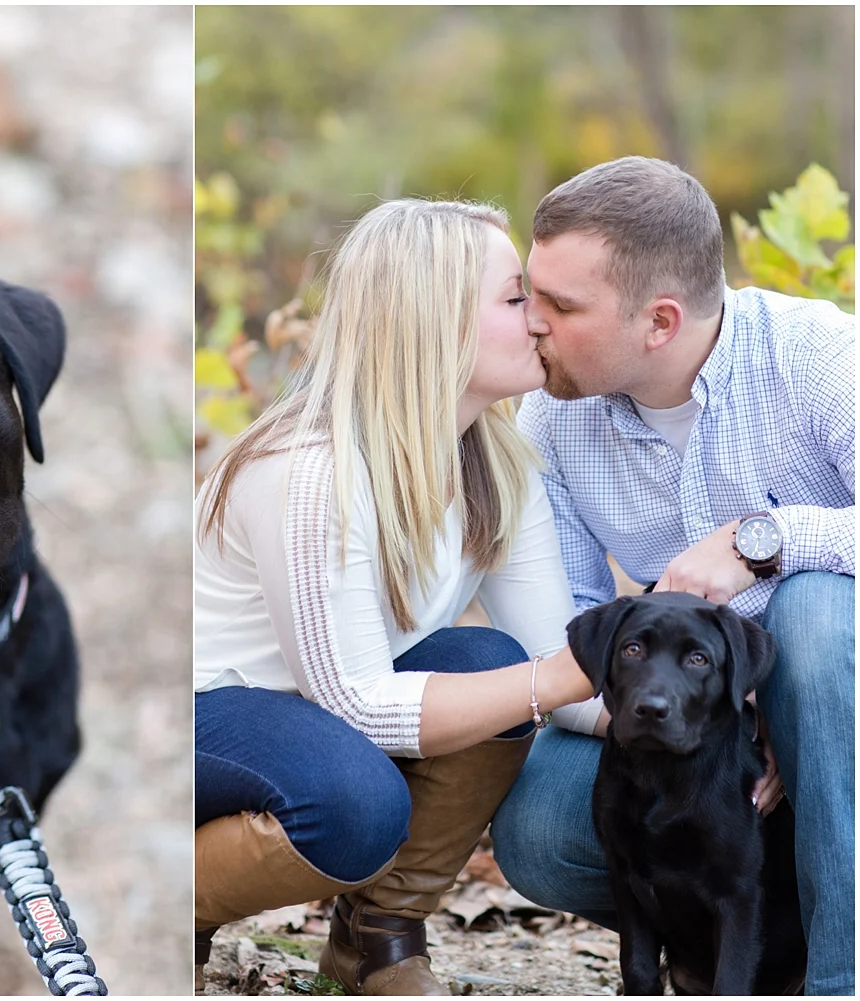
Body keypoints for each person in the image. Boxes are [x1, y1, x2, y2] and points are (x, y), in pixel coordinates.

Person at [194, 198, 606, 995]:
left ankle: (378, 941)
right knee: (354, 802)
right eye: (517, 297)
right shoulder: (311, 470)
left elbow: (562, 667)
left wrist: (694, 720)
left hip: (309, 712)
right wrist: (545, 681)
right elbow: (356, 704)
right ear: (434, 319)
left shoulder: (499, 459)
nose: (542, 320)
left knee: (491, 658)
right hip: (201, 711)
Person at [489, 155, 855, 994]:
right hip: (707, 749)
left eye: (560, 305)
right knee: (540, 826)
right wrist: (712, 719)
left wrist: (765, 540)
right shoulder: (550, 418)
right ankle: (744, 942)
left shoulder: (819, 359)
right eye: (527, 292)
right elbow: (566, 641)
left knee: (819, 613)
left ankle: (842, 975)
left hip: (847, 729)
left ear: (658, 321)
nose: (529, 323)